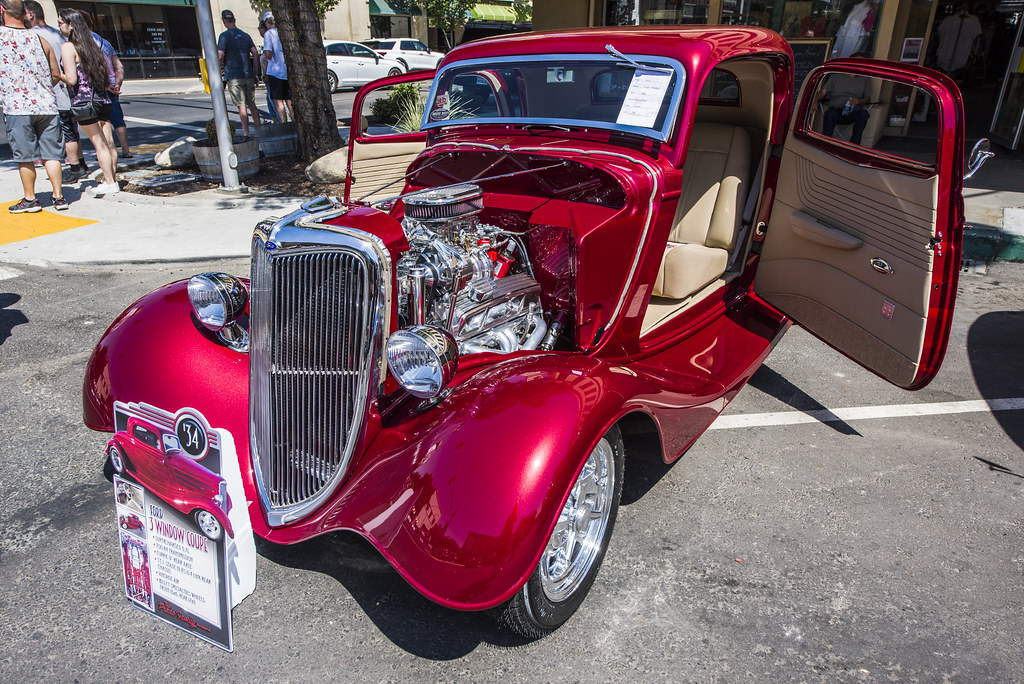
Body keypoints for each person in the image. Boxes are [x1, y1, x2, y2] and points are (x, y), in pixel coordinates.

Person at [0, 0, 68, 212]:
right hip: (47, 105)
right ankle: (59, 197)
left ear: (1, 10)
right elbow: (56, 74)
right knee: (53, 154)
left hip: (17, 106)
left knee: (25, 156)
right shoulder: (40, 39)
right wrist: (40, 89)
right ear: (25, 13)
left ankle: (30, 199)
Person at [22, 0, 89, 182]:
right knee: (73, 130)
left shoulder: (31, 36)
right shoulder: (57, 33)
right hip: (71, 90)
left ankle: (75, 168)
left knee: (66, 132)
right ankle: (81, 163)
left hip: (55, 90)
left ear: (30, 14)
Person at [57, 7, 118, 194]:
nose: (58, 27)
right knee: (108, 142)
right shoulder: (93, 44)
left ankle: (110, 183)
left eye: (60, 23)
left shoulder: (68, 47)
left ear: (71, 25)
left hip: (84, 102)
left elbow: (72, 79)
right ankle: (112, 177)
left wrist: (57, 74)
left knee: (99, 144)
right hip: (102, 99)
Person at [88, 16, 130, 158]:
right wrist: (117, 84)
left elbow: (93, 68)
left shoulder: (85, 43)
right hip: (112, 83)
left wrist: (105, 85)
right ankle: (126, 150)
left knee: (101, 121)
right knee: (118, 119)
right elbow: (119, 66)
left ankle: (105, 151)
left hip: (99, 86)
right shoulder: (105, 43)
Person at [217, 9, 261, 137]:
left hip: (234, 76)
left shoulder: (224, 36)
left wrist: (219, 69)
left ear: (224, 22)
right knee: (252, 104)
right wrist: (255, 73)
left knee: (241, 106)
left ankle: (246, 133)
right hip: (247, 74)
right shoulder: (246, 36)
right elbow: (255, 53)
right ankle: (259, 130)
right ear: (234, 20)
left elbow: (220, 55)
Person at [816, 60, 871, 145]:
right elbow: (823, 92)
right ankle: (825, 143)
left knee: (864, 114)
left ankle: (854, 145)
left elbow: (867, 99)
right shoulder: (835, 77)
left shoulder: (865, 79)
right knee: (830, 113)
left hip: (852, 112)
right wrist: (815, 100)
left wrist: (859, 101)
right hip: (835, 111)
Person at [261, 13, 292, 122]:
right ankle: (295, 122)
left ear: (267, 22)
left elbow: (269, 54)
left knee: (279, 102)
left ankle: (284, 123)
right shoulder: (284, 32)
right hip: (287, 70)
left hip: (275, 71)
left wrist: (264, 51)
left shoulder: (269, 34)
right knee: (289, 100)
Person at [257, 18, 278, 123]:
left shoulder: (269, 38)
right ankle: (275, 121)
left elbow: (268, 58)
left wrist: (265, 75)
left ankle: (280, 121)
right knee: (270, 102)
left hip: (271, 76)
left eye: (259, 29)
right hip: (270, 76)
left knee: (274, 102)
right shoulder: (269, 39)